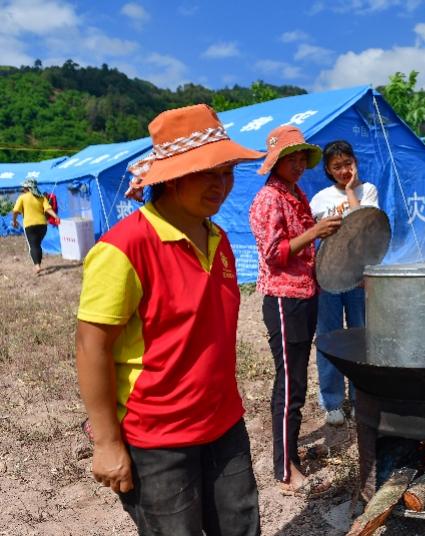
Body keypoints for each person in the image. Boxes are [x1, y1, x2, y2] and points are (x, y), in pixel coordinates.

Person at [75, 104, 265, 535]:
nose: (221, 184)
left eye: (227, 171)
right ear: (172, 177)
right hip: (158, 436)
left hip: (223, 423)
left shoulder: (218, 239)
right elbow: (92, 346)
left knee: (242, 528)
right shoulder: (124, 248)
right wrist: (106, 442)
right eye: (208, 172)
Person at [249, 125, 342, 496]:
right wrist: (315, 232)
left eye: (303, 158)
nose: (300, 164)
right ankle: (285, 470)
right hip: (284, 299)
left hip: (305, 293)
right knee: (290, 385)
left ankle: (291, 455)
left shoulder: (294, 193)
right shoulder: (268, 199)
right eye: (294, 158)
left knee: (298, 380)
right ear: (278, 161)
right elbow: (274, 253)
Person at [309, 140, 379, 426]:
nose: (343, 170)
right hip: (328, 275)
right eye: (336, 166)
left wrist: (351, 192)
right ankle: (332, 400)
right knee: (329, 336)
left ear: (356, 162)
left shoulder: (368, 190)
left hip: (358, 274)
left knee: (361, 334)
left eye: (347, 164)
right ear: (327, 169)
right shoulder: (319, 199)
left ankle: (361, 395)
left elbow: (364, 225)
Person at [11, 177, 60, 274]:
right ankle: (38, 264)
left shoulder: (22, 197)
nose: (22, 188)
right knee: (37, 245)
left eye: (24, 187)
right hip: (43, 225)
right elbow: (48, 209)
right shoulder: (41, 197)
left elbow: (15, 211)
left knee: (33, 246)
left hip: (30, 225)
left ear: (27, 188)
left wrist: (14, 221)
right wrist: (56, 217)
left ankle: (37, 266)